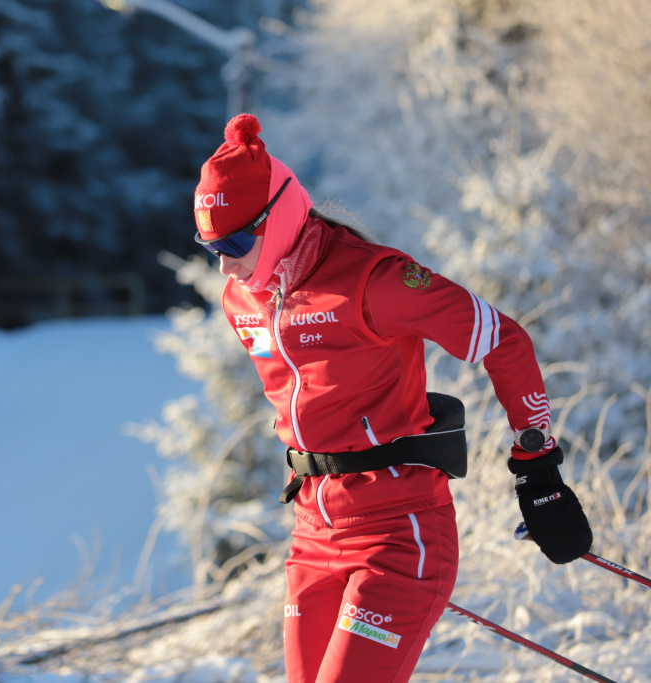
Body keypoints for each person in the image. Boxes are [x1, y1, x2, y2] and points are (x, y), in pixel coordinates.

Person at [191, 113, 593, 682]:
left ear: (277, 218)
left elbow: (504, 339)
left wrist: (538, 465)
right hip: (313, 532)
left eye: (234, 242)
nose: (226, 265)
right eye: (211, 248)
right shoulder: (244, 299)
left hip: (398, 534)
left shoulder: (375, 281)